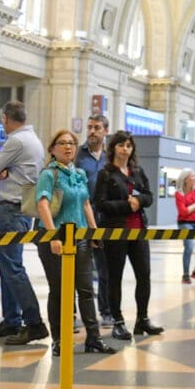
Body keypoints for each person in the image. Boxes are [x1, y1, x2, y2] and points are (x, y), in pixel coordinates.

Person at [35, 129, 116, 356]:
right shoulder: (49, 174)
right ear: (52, 149)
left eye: (71, 143)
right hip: (56, 239)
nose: (67, 147)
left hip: (79, 238)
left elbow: (86, 204)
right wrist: (52, 236)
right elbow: (42, 204)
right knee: (59, 291)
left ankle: (94, 338)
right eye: (61, 143)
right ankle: (59, 340)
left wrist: (94, 231)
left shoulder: (79, 173)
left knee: (86, 289)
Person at [0, 101, 48, 345]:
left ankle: (34, 323)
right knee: (7, 267)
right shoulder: (33, 140)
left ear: (6, 119)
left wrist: (1, 170)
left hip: (10, 210)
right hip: (17, 210)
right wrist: (4, 171)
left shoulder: (16, 141)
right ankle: (11, 321)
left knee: (13, 269)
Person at [93, 130, 163, 340]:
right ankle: (118, 321)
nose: (125, 149)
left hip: (138, 230)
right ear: (113, 147)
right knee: (115, 277)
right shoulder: (106, 173)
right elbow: (100, 204)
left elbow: (149, 196)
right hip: (116, 231)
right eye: (121, 145)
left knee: (144, 276)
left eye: (129, 146)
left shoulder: (138, 171)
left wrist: (139, 201)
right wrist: (126, 205)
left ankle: (142, 319)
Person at [74, 114, 112, 325]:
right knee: (78, 268)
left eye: (97, 127)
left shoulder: (111, 156)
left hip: (105, 218)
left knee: (105, 268)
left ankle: (106, 311)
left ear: (105, 130)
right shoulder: (78, 155)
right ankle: (72, 313)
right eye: (89, 127)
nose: (92, 131)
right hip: (80, 217)